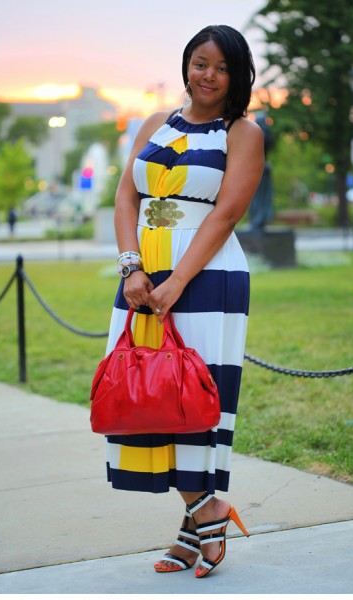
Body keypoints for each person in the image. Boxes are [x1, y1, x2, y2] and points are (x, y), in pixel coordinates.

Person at [104, 24, 264, 578]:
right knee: (147, 395)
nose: (208, 76)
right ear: (186, 64)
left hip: (207, 276)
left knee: (194, 399)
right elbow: (126, 197)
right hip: (141, 276)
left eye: (221, 67)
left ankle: (202, 517)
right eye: (200, 63)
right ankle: (203, 515)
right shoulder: (154, 124)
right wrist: (133, 269)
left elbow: (225, 214)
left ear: (237, 75)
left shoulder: (242, 132)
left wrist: (176, 282)